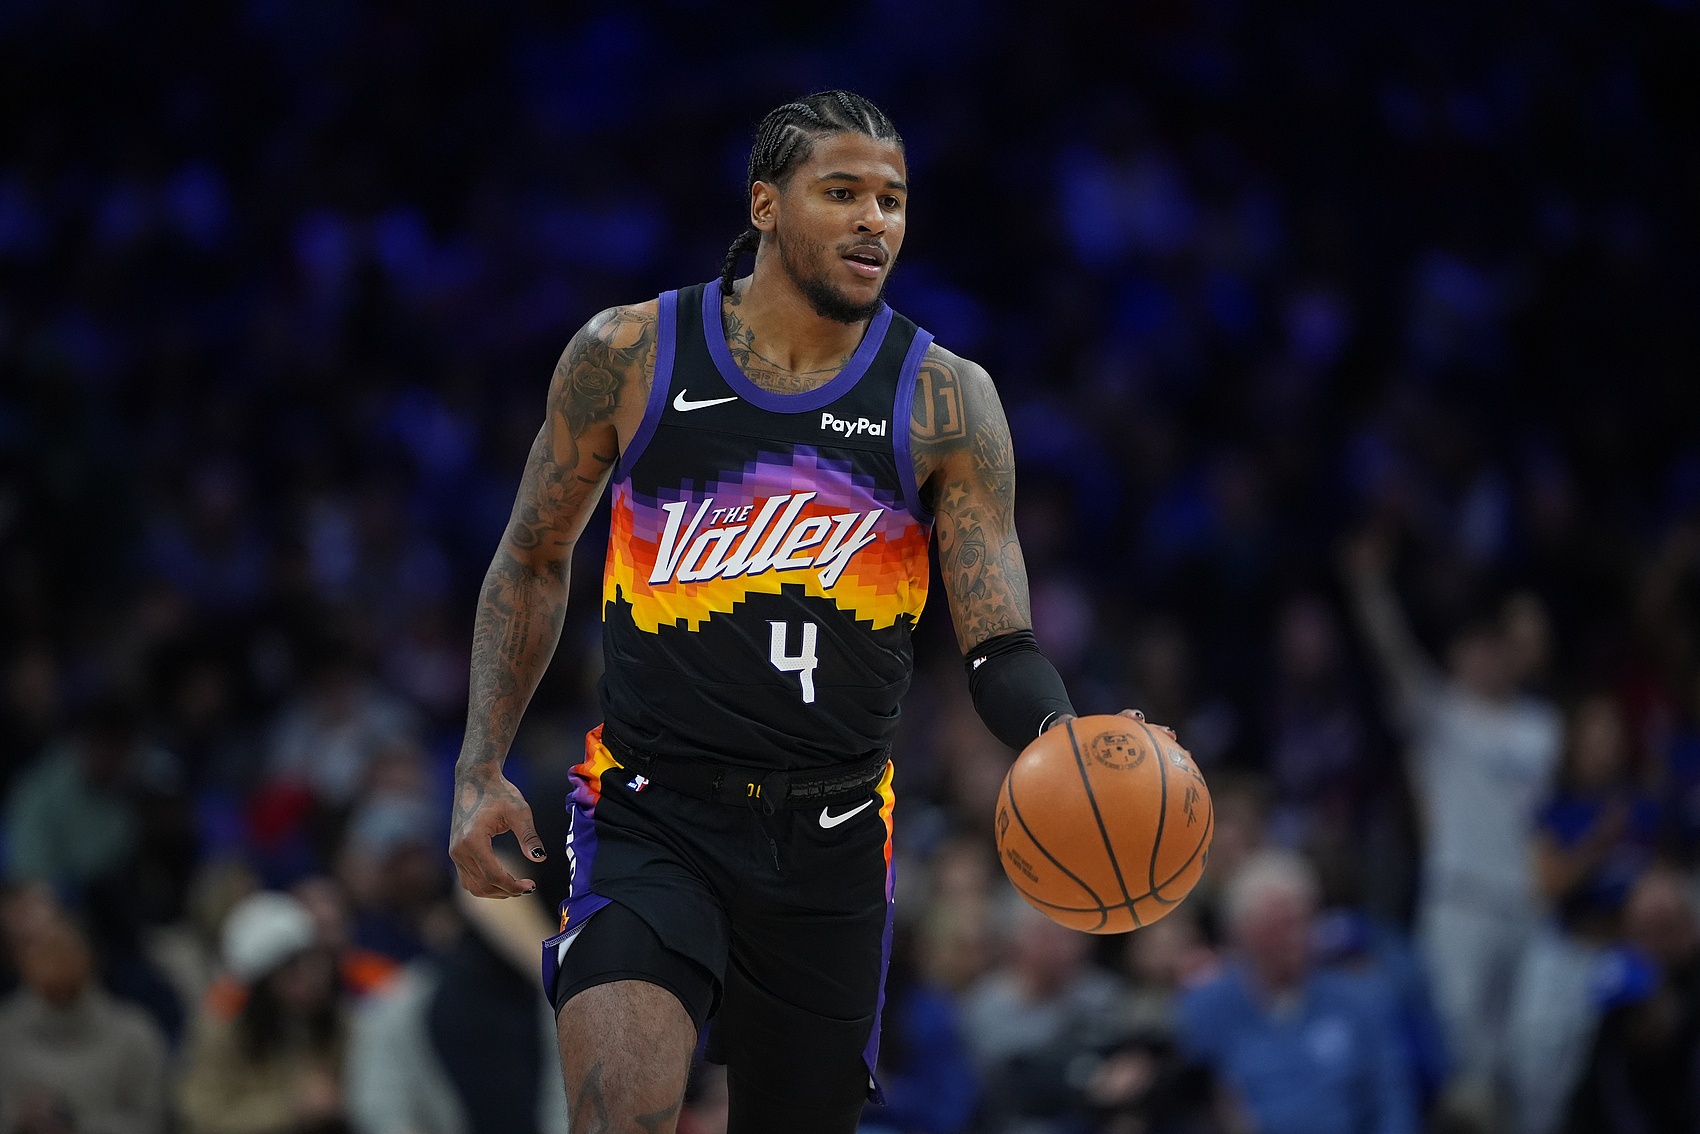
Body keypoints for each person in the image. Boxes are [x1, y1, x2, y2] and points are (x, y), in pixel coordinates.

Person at [446, 90, 1161, 1134]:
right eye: (843, 193)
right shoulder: (629, 352)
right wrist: (478, 767)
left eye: (892, 200)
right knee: (618, 1113)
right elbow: (530, 558)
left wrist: (1063, 732)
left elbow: (998, 644)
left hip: (833, 837)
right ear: (766, 205)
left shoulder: (946, 400)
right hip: (653, 811)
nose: (874, 220)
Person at [1342, 534, 1562, 1116]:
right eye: (1468, 650)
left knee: (1527, 1053)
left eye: (1489, 648)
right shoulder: (1440, 716)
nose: (1479, 660)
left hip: (1528, 902)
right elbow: (1393, 655)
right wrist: (1369, 588)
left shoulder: (1542, 728)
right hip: (1460, 900)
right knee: (1459, 1052)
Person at [1177, 850, 1419, 1134]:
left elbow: (1393, 1104)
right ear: (1241, 933)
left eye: (1301, 921)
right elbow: (1187, 1104)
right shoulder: (1206, 1009)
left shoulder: (1360, 1000)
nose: (1293, 938)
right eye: (1277, 927)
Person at [176, 891, 349, 1134]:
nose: (312, 977)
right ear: (262, 984)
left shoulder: (340, 1022)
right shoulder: (222, 1033)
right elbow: (203, 1115)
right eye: (292, 968)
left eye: (314, 960)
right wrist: (291, 1108)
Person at [0, 901, 168, 1134]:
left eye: (63, 948)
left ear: (88, 955)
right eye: (42, 949)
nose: (55, 961)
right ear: (21, 961)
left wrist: (77, 1125)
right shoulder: (5, 1036)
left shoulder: (134, 1034)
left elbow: (153, 1123)